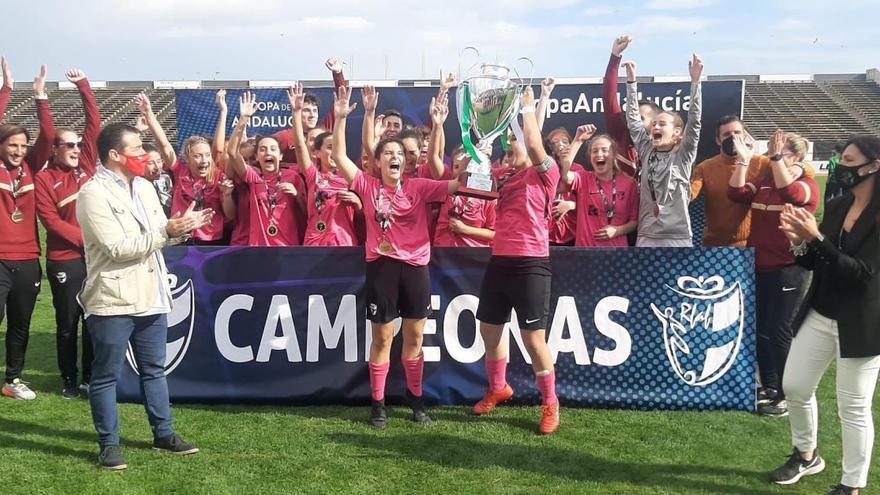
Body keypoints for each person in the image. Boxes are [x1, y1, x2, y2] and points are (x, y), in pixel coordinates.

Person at [76, 122, 211, 470]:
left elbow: (158, 236)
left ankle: (163, 435)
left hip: (151, 293)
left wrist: (183, 228)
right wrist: (167, 231)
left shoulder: (146, 188)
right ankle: (109, 445)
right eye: (136, 149)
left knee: (154, 369)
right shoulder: (92, 194)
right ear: (115, 155)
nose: (143, 154)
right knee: (106, 374)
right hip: (112, 298)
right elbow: (117, 249)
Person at [331, 86, 458, 428]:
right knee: (383, 337)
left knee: (415, 338)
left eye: (398, 153)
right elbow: (341, 157)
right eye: (386, 153)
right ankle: (378, 405)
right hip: (382, 268)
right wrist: (341, 118)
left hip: (416, 268)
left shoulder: (419, 187)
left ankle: (416, 402)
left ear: (405, 161)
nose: (393, 157)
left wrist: (445, 129)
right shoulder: (368, 186)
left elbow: (454, 185)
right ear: (377, 162)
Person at [773, 135, 880, 495]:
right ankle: (806, 455)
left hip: (862, 321)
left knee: (853, 406)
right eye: (840, 158)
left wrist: (816, 239)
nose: (841, 166)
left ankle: (852, 485)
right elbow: (814, 259)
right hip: (821, 310)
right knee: (796, 386)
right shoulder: (836, 205)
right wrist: (799, 241)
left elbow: (862, 273)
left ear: (873, 166)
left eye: (849, 160)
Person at [472, 87, 562, 435]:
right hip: (500, 261)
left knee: (533, 340)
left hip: (531, 264)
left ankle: (550, 402)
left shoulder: (546, 173)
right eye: (512, 141)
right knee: (489, 330)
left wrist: (528, 107)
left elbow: (534, 143)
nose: (514, 143)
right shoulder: (507, 176)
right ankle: (498, 387)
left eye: (518, 139)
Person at [729, 129, 819, 417]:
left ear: (798, 157)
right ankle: (768, 386)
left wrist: (779, 158)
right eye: (770, 152)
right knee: (760, 330)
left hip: (787, 270)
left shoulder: (806, 184)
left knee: (780, 331)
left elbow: (790, 192)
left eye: (780, 153)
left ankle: (785, 394)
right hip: (758, 266)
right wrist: (744, 160)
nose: (771, 158)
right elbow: (737, 192)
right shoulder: (765, 182)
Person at [33, 68, 101, 399]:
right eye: (69, 144)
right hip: (65, 259)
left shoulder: (87, 164)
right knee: (67, 322)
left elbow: (94, 124)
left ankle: (89, 376)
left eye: (78, 144)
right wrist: (86, 241)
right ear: (56, 149)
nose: (77, 148)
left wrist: (83, 86)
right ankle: (68, 379)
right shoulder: (45, 179)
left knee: (92, 319)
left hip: (95, 257)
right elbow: (50, 221)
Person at [1, 64, 54, 401]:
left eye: (22, 146)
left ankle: (13, 380)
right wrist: (6, 90)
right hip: (0, 258)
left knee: (21, 324)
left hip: (29, 259)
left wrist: (40, 96)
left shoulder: (31, 167)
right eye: (12, 145)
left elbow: (48, 137)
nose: (19, 151)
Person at [624, 54, 703, 247]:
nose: (656, 127)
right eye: (654, 124)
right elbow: (634, 121)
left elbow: (694, 122)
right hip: (647, 233)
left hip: (678, 236)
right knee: (644, 278)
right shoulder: (646, 150)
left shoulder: (683, 154)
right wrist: (631, 81)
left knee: (676, 278)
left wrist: (695, 83)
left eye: (662, 124)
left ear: (677, 132)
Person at [137, 92, 228, 244]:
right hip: (181, 238)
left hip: (212, 241)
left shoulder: (216, 174)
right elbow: (165, 145)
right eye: (198, 156)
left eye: (207, 155)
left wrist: (223, 111)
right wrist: (149, 113)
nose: (204, 160)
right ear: (188, 157)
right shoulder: (180, 171)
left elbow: (218, 149)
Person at [228, 92, 306, 246]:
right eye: (263, 149)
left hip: (287, 247)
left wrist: (297, 195)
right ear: (256, 157)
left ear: (281, 155)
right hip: (259, 248)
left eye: (272, 149)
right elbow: (232, 152)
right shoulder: (253, 177)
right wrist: (244, 118)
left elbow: (307, 212)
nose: (268, 152)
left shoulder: (293, 177)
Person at [288, 83, 361, 246]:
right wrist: (296, 112)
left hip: (344, 243)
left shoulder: (351, 177)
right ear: (316, 152)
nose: (334, 152)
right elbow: (300, 145)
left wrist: (358, 203)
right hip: (315, 242)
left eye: (337, 148)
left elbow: (368, 212)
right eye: (329, 147)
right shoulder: (313, 175)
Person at [425, 92, 496, 247]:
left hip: (475, 258)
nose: (461, 170)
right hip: (445, 256)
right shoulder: (447, 184)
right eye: (456, 166)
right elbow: (432, 158)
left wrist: (465, 229)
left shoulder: (488, 194)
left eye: (467, 165)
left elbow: (494, 233)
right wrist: (437, 126)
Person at [691, 115, 769, 247]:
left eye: (737, 133)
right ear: (718, 140)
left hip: (751, 245)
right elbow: (690, 194)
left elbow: (795, 171)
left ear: (744, 136)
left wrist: (801, 167)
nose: (733, 137)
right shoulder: (705, 168)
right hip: (715, 245)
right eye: (727, 134)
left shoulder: (761, 163)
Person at [559, 126, 639, 247]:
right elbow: (565, 175)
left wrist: (617, 231)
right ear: (590, 157)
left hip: (617, 254)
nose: (599, 154)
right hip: (586, 254)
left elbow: (635, 221)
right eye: (594, 151)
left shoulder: (629, 183)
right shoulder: (583, 178)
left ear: (614, 155)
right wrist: (578, 140)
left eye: (604, 150)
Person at [602, 35, 661, 177]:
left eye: (641, 118)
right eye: (632, 116)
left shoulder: (664, 147)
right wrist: (615, 56)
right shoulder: (620, 135)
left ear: (655, 123)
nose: (634, 120)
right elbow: (608, 99)